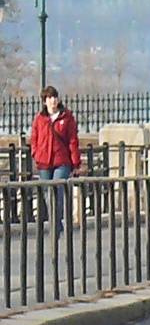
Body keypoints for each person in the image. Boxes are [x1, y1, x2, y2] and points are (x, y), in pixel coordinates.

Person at [29, 85, 80, 235]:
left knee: (57, 190)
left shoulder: (66, 117)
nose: (53, 101)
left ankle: (56, 225)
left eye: (55, 97)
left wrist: (76, 163)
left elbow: (72, 140)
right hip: (44, 161)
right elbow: (34, 138)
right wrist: (35, 153)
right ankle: (55, 223)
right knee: (47, 192)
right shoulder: (40, 119)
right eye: (50, 98)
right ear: (44, 101)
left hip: (61, 161)